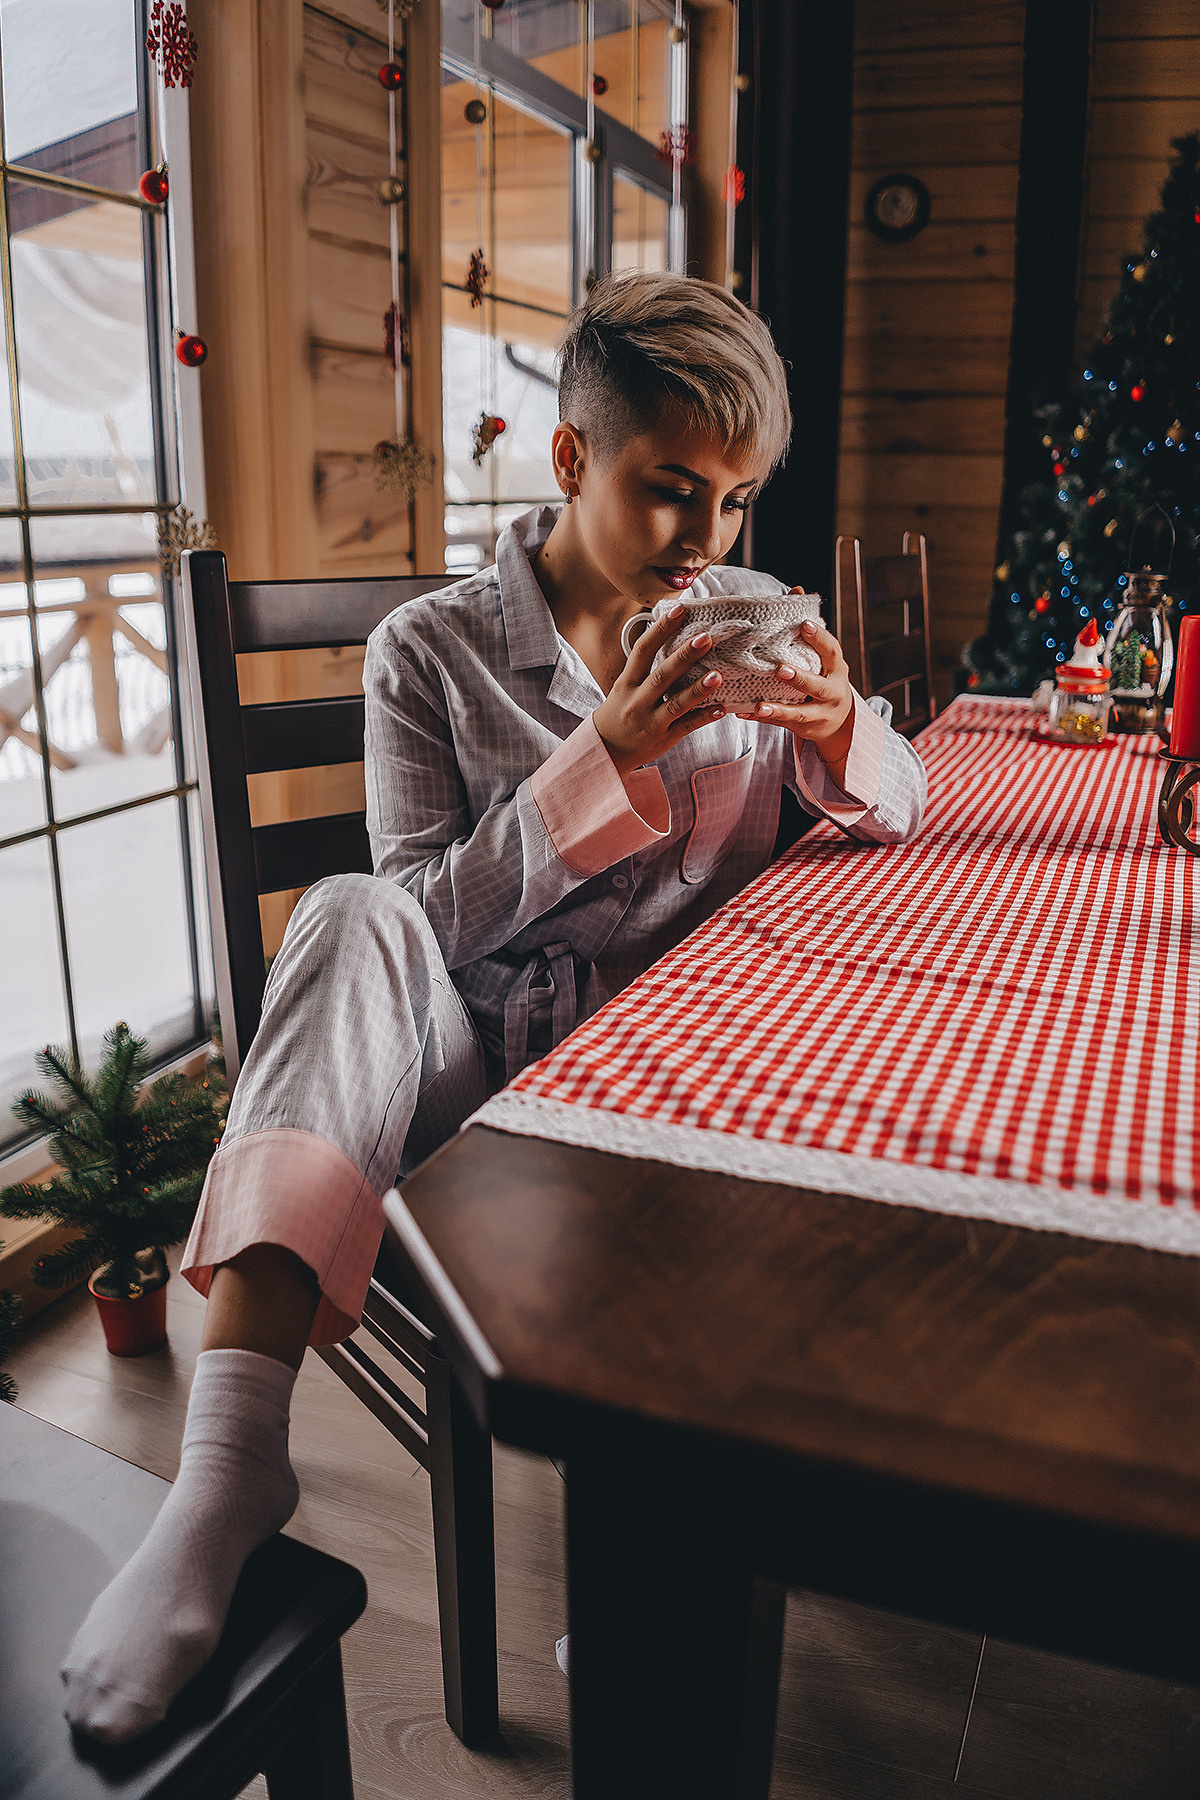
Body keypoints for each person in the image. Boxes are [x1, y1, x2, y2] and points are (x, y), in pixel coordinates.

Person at [60, 271, 927, 1742]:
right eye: (670, 489)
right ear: (574, 459)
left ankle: (653, 1554)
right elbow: (422, 923)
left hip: (689, 1096)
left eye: (735, 500)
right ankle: (226, 1475)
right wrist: (601, 757)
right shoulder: (432, 652)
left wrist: (846, 724)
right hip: (482, 1089)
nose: (705, 541)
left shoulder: (752, 618)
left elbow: (898, 803)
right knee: (341, 912)